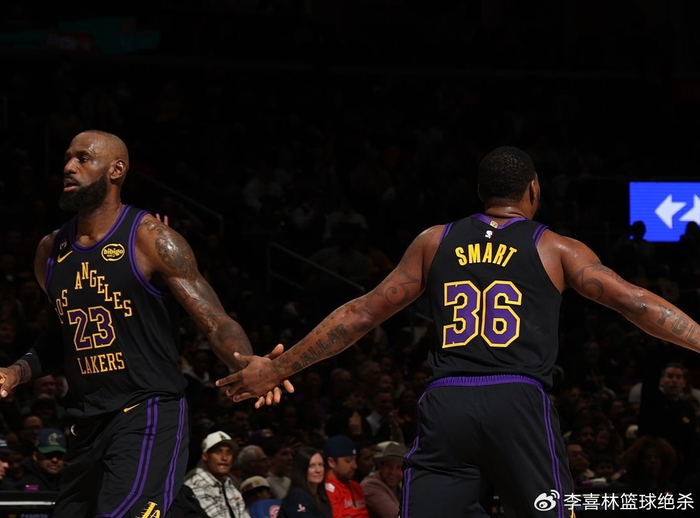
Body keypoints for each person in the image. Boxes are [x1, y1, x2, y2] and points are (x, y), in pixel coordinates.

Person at [223, 146, 700, 517]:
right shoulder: (555, 247)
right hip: (517, 399)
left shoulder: (435, 240)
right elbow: (635, 301)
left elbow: (361, 314)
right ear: (533, 189)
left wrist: (278, 368)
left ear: (480, 193)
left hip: (447, 402)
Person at [0, 130, 290, 516]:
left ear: (116, 169)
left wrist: (244, 359)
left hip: (148, 413)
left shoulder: (151, 239)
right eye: (67, 158)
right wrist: (15, 373)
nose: (68, 167)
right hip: (87, 424)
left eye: (83, 158)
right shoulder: (50, 251)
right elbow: (58, 339)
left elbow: (215, 319)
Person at [185, 431, 250, 518]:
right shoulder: (196, 485)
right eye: (218, 452)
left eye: (228, 452)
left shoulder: (229, 484)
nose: (224, 458)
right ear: (205, 456)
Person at [322, 435, 369, 518]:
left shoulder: (356, 487)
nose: (355, 466)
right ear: (331, 462)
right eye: (348, 461)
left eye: (355, 460)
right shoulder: (325, 491)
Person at [279, 446, 331, 518]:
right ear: (301, 469)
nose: (318, 470)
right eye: (312, 466)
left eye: (320, 465)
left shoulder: (321, 496)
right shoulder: (297, 496)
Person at [360, 442, 407, 518]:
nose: (393, 472)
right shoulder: (369, 486)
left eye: (399, 467)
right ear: (380, 466)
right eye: (389, 466)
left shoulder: (402, 484)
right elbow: (397, 515)